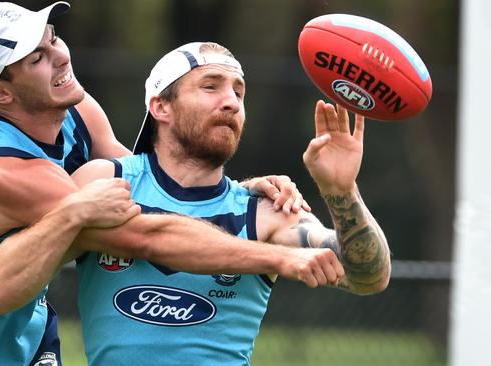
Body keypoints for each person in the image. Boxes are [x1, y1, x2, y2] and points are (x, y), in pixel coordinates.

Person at [0, 3, 338, 366]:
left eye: (54, 40)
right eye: (37, 57)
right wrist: (281, 257)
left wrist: (234, 191)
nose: (60, 57)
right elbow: (145, 232)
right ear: (0, 93)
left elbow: (147, 181)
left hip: (25, 338)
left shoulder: (74, 109)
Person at [67, 42, 392, 365]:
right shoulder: (104, 182)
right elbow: (31, 246)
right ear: (161, 107)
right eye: (211, 87)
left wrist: (341, 191)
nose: (232, 103)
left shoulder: (265, 211)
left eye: (239, 93)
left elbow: (369, 277)